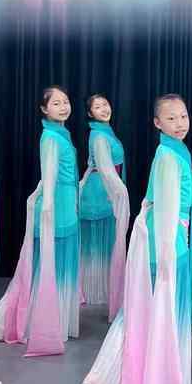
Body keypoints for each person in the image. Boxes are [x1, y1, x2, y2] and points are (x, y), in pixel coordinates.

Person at [83, 95, 192, 384]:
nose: (179, 123)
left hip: (169, 238)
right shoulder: (168, 156)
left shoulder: (175, 151)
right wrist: (167, 252)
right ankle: (101, 378)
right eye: (171, 118)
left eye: (183, 116)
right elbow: (167, 206)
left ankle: (149, 375)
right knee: (141, 312)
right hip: (164, 243)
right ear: (157, 123)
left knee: (149, 311)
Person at [0, 87, 80, 355]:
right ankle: (38, 323)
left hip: (65, 202)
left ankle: (54, 321)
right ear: (44, 109)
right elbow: (49, 175)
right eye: (56, 103)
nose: (63, 107)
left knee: (59, 266)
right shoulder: (51, 137)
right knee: (47, 267)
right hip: (57, 206)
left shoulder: (60, 134)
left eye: (65, 101)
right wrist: (48, 208)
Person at [78, 95, 129, 317]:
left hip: (106, 186)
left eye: (105, 104)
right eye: (97, 107)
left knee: (102, 241)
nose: (104, 109)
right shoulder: (99, 135)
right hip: (100, 189)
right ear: (91, 113)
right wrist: (119, 192)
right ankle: (95, 289)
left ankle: (102, 288)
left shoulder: (105, 132)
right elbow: (106, 169)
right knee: (97, 242)